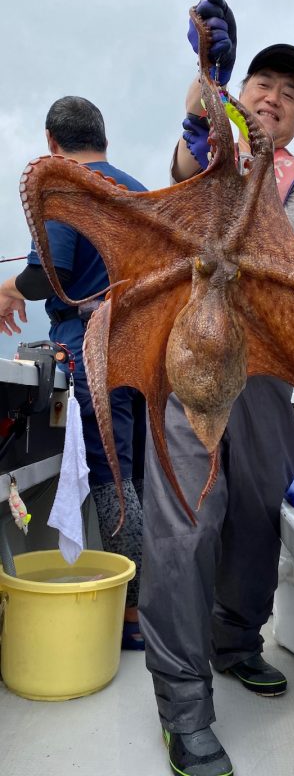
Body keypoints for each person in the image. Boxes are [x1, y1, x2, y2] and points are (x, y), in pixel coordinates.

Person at [138, 0, 294, 776]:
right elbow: (187, 166)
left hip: (259, 377)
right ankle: (184, 711)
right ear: (243, 90)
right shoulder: (211, 143)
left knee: (256, 507)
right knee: (185, 523)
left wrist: (244, 145)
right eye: (262, 86)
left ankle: (234, 642)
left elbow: (286, 249)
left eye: (290, 96)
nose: (273, 99)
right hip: (188, 357)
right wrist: (206, 106)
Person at [0, 96, 147, 650]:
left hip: (89, 350)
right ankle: (137, 602)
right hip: (136, 347)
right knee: (129, 473)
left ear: (51, 142)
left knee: (112, 484)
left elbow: (51, 277)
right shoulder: (136, 188)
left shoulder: (61, 184)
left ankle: (129, 618)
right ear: (102, 135)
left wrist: (9, 288)